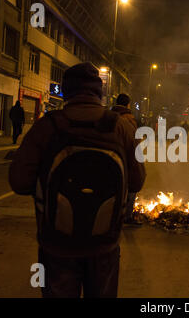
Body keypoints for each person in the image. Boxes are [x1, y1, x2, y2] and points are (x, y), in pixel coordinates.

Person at [9, 63, 146, 298]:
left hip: (56, 243)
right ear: (99, 92)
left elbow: (19, 181)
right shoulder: (121, 127)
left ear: (66, 91)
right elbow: (137, 181)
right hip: (104, 243)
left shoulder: (48, 126)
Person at [111, 94, 142, 226]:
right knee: (132, 185)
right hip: (125, 157)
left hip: (110, 156)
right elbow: (133, 140)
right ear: (128, 104)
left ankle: (110, 214)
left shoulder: (109, 116)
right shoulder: (129, 119)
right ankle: (127, 216)